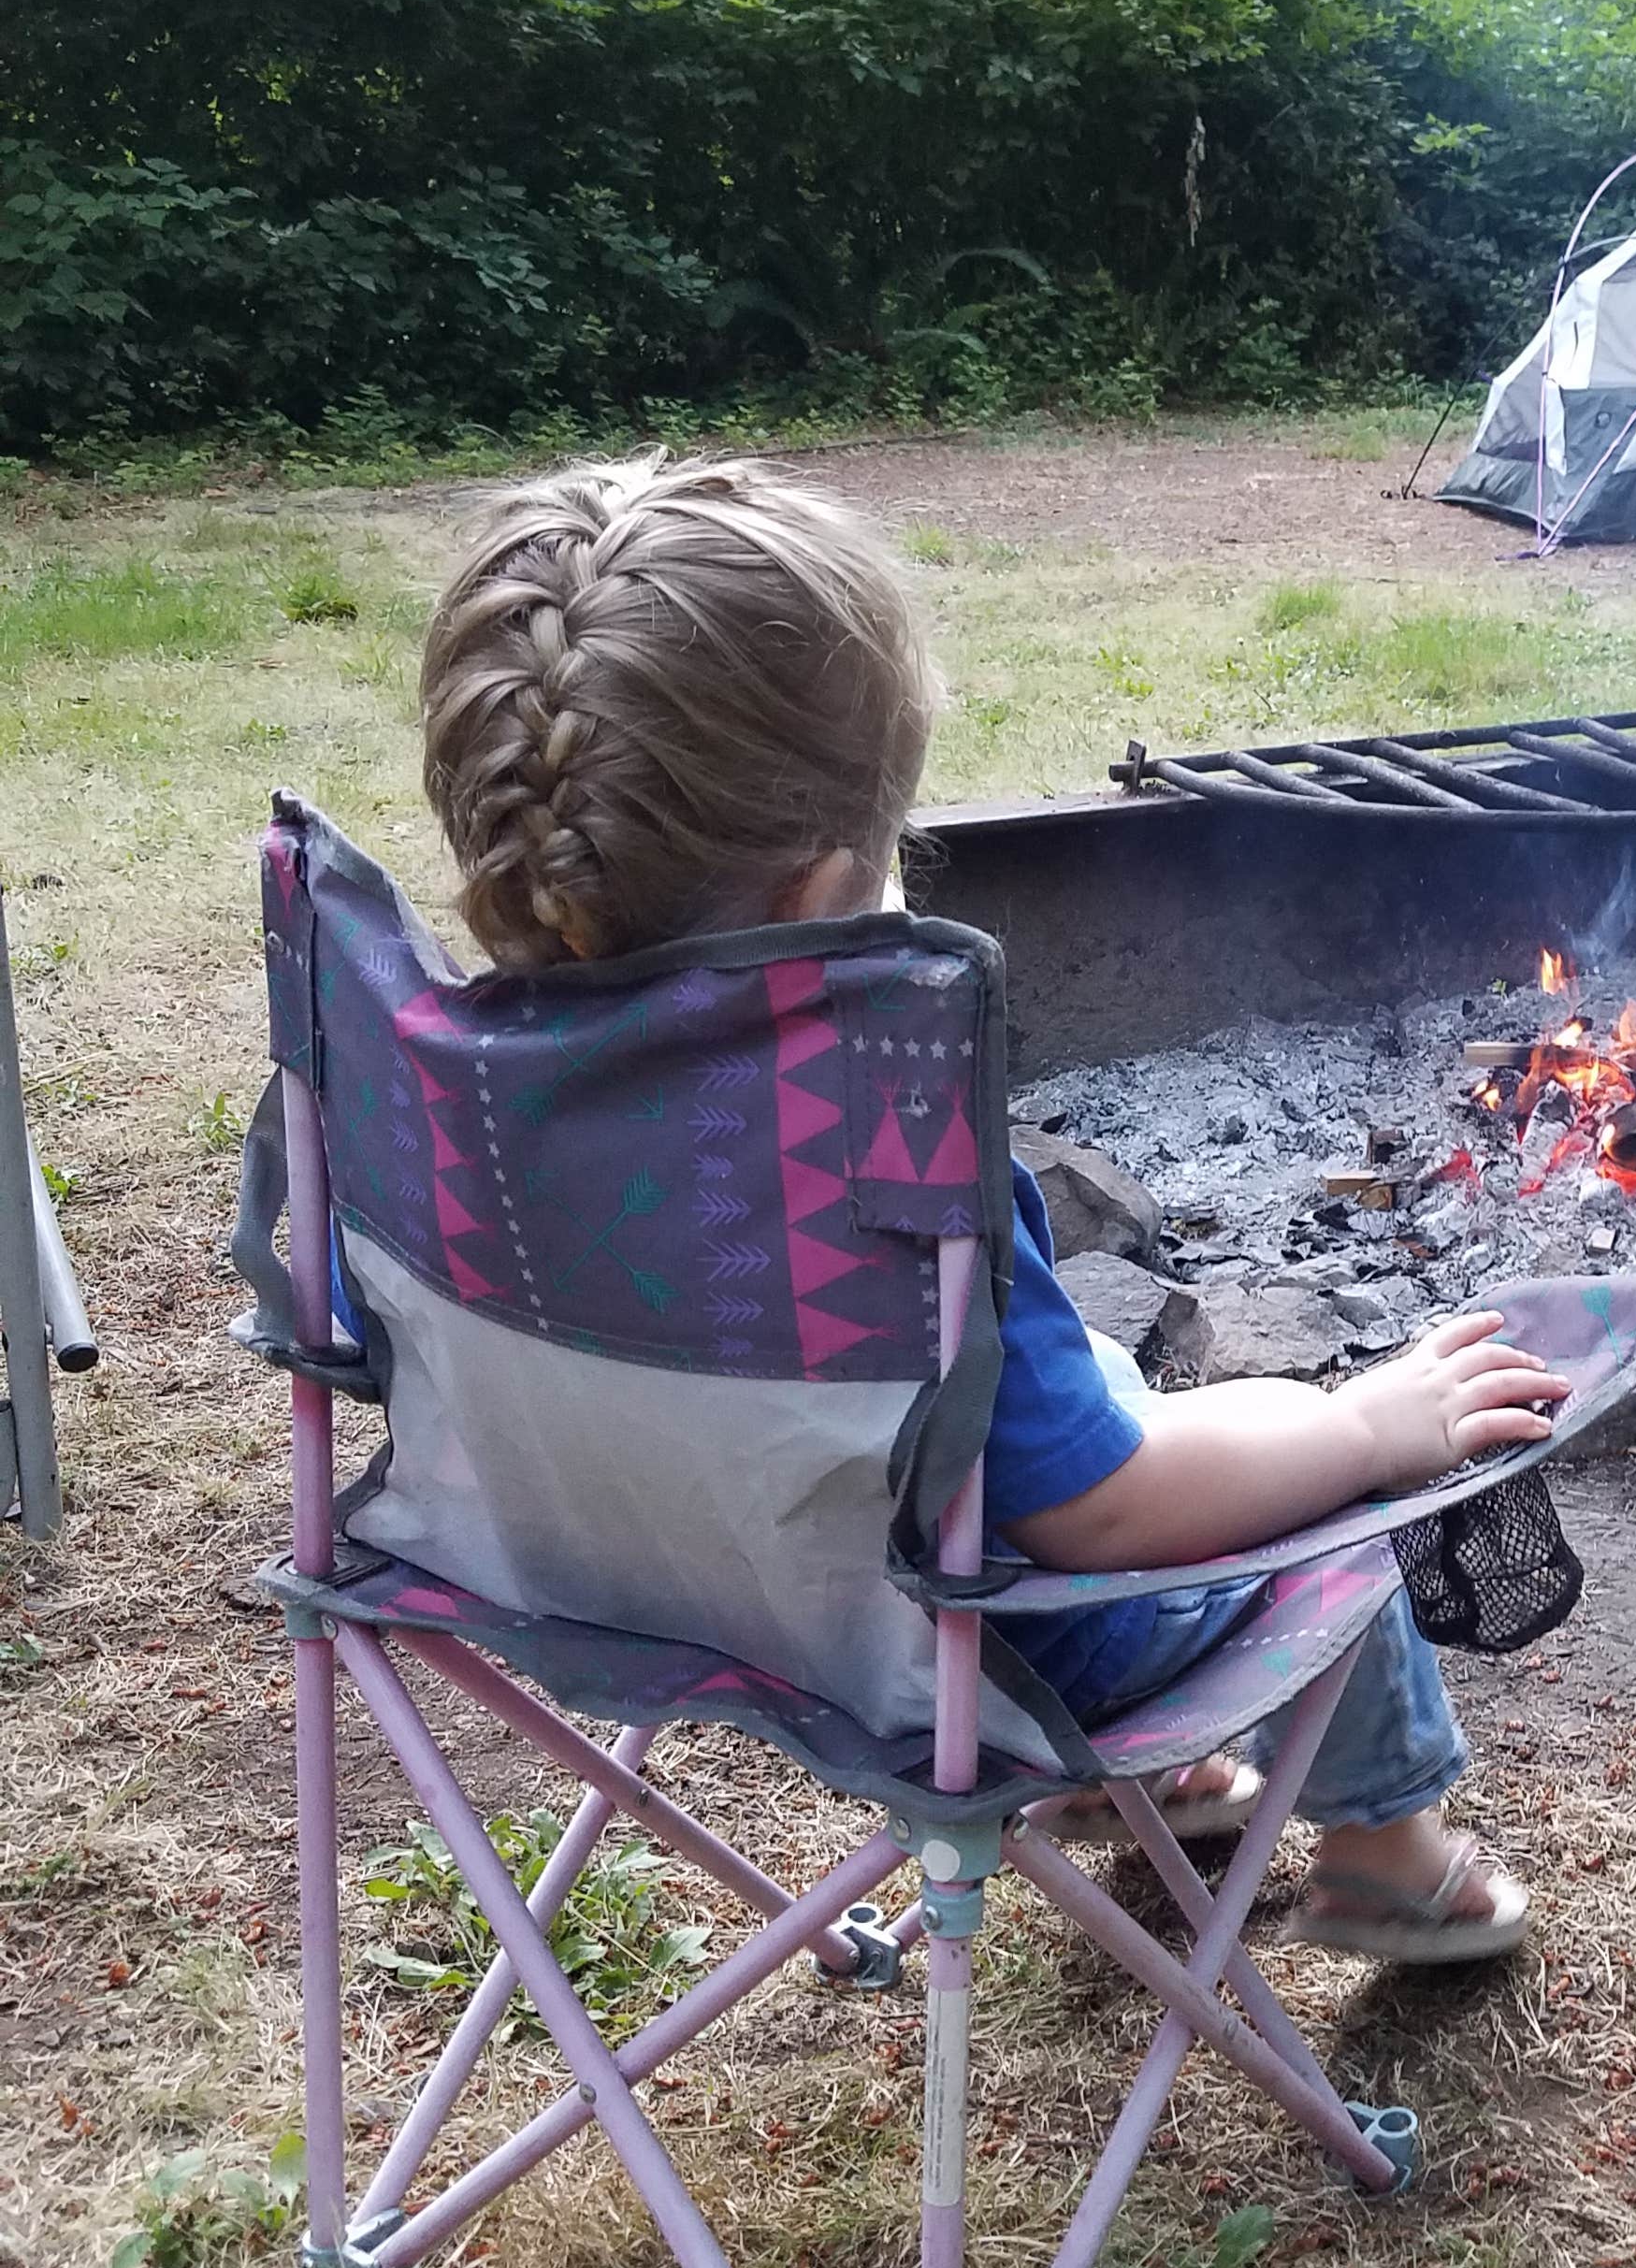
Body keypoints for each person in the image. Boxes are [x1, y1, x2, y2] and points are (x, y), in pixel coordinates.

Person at [418, 452, 1564, 1960]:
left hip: (610, 1566)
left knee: (1074, 1371)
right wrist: (1364, 1423)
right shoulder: (874, 1143)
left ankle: (1142, 1800)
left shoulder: (453, 1089)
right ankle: (1388, 1851)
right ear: (827, 879)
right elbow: (1094, 1514)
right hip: (963, 1640)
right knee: (1320, 1483)